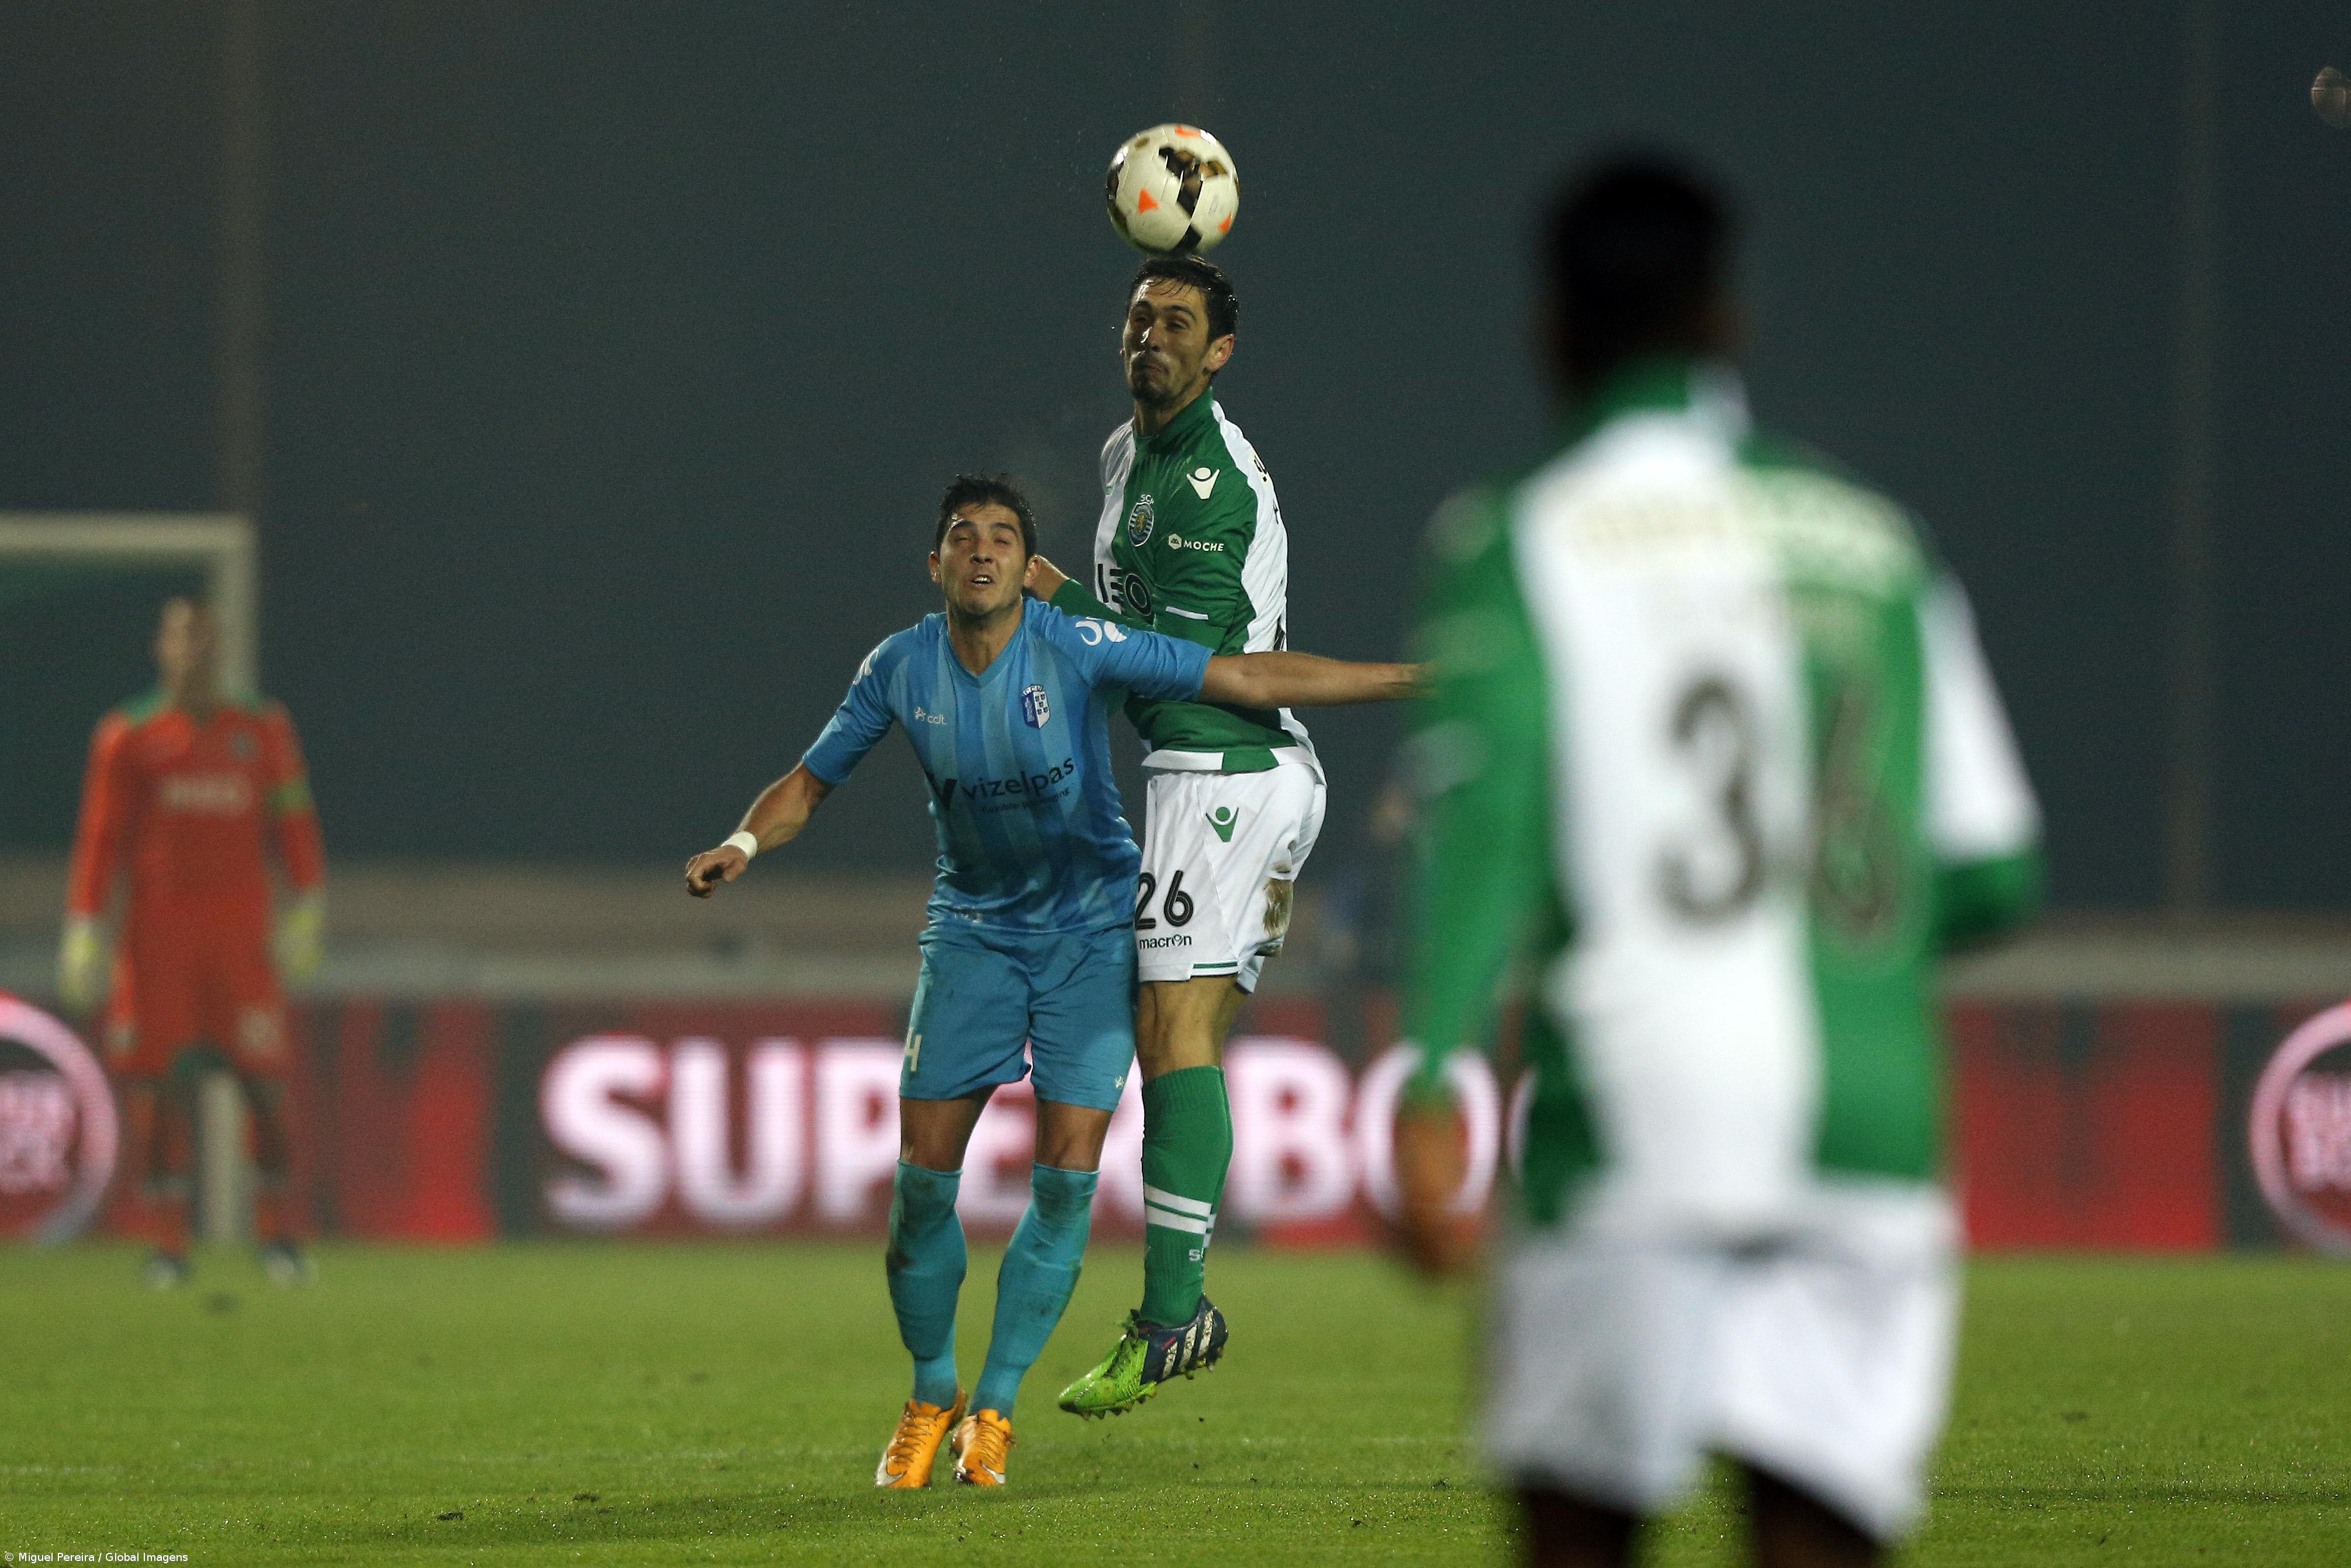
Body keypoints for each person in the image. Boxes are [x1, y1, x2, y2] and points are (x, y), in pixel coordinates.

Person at [1389, 158, 2042, 1568]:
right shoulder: (1876, 544)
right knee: (1815, 1535)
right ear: (1726, 322)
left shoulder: (1517, 537)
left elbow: (1481, 838)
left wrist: (1433, 1067)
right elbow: (1992, 871)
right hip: (1865, 1124)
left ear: (1547, 333)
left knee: (1580, 1525)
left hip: (1637, 1104)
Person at [684, 475, 1416, 1490]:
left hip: (1088, 936)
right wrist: (740, 840)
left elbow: (1241, 677)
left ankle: (993, 1406)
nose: (980, 551)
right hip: (974, 935)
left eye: (1000, 538)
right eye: (961, 537)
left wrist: (1406, 681)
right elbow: (810, 782)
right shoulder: (899, 667)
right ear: (935, 563)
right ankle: (931, 1388)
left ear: (1028, 567)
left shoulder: (1076, 642)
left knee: (1067, 1174)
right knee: (919, 1188)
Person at [1025, 252, 1322, 1417]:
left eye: (1177, 323)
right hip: (1195, 771)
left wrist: (1047, 597)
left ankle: (1171, 1316)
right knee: (1170, 1036)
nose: (1150, 334)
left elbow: (1177, 661)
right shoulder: (1122, 454)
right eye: (1139, 316)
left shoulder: (1215, 488)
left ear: (1219, 354)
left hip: (1228, 763)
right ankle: (1171, 1306)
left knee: (1172, 1025)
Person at [61, 596, 327, 1287]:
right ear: (162, 647)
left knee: (265, 1087)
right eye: (181, 636)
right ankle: (168, 1246)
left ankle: (281, 1238)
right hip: (158, 943)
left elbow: (294, 825)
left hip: (240, 940)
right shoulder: (129, 734)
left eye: (204, 637)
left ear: (220, 646)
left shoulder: (262, 728)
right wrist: (85, 926)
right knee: (159, 1094)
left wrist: (307, 905)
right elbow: (102, 839)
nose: (194, 650)